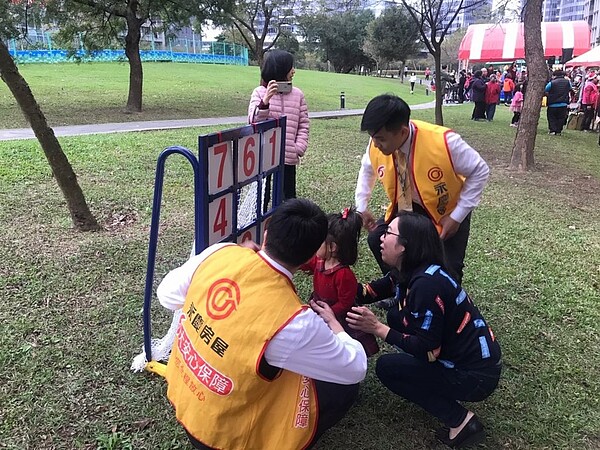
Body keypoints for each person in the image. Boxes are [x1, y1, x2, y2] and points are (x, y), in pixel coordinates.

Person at [158, 199, 367, 450]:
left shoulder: (221, 253)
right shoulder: (295, 322)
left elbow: (166, 296)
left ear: (266, 232)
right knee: (343, 389)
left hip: (185, 396)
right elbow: (355, 367)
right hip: (223, 439)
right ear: (310, 257)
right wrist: (337, 327)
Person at [349, 211, 502, 448]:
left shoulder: (427, 287)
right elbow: (370, 292)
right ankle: (430, 377)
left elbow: (429, 351)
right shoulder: (411, 269)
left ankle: (462, 421)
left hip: (475, 375)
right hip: (466, 356)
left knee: (388, 368)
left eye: (388, 232)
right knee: (395, 315)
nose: (381, 237)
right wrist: (335, 273)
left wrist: (377, 328)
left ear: (404, 247)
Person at [354, 94, 489, 284]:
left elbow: (480, 170)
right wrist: (362, 206)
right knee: (378, 239)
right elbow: (367, 169)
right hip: (407, 207)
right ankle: (402, 289)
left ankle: (436, 299)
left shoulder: (445, 142)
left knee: (448, 270)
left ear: (401, 132)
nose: (375, 144)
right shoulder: (376, 141)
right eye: (373, 138)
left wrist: (457, 217)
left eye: (381, 139)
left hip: (446, 210)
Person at [301, 207, 379, 356]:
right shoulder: (319, 260)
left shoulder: (344, 275)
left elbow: (345, 303)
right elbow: (303, 263)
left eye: (320, 242)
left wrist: (328, 314)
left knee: (337, 344)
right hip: (320, 305)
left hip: (337, 315)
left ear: (333, 247)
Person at [248, 49, 309, 200]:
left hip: (288, 155)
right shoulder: (259, 92)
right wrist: (266, 101)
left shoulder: (298, 95)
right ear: (280, 69)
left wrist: (298, 148)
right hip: (264, 156)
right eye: (291, 67)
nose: (294, 71)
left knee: (288, 197)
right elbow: (253, 121)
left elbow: (304, 124)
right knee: (262, 198)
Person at [545, 69, 572, 136]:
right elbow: (570, 89)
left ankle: (552, 130)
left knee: (551, 118)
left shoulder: (552, 82)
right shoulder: (567, 82)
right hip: (563, 103)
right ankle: (558, 131)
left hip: (552, 103)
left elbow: (546, 89)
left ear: (554, 75)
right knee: (561, 118)